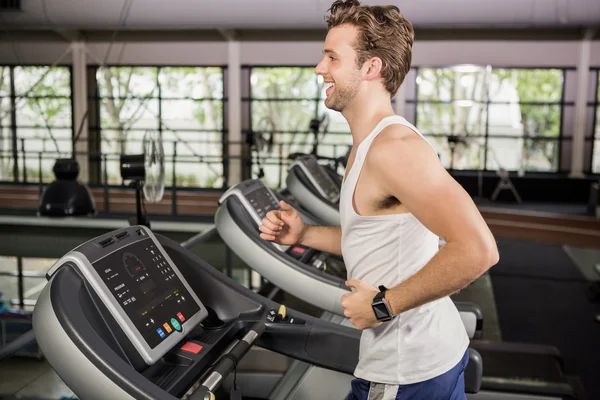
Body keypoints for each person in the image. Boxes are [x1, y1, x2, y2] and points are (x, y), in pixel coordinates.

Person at [259, 0, 499, 398]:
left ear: (371, 68)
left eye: (332, 57)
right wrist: (303, 233)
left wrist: (382, 306)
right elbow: (373, 236)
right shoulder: (369, 146)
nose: (320, 69)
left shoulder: (393, 148)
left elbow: (479, 250)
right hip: (419, 357)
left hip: (408, 370)